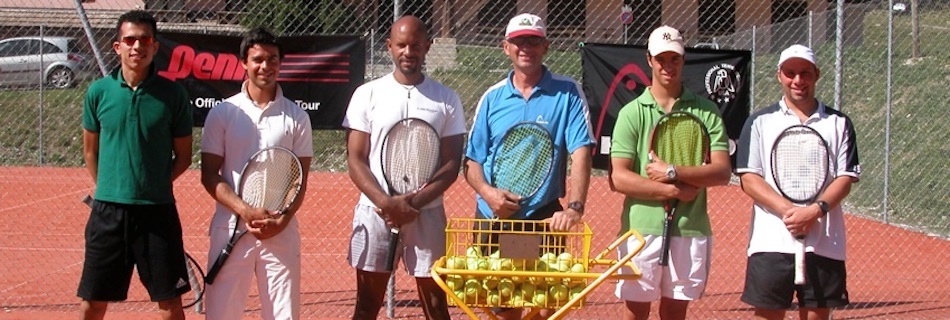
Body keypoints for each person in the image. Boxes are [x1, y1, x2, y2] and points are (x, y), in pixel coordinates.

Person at [463, 13, 593, 320]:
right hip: (494, 218)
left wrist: (574, 208)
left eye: (534, 41)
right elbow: (472, 162)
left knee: (547, 305)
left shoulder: (568, 93)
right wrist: (489, 193)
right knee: (503, 306)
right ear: (505, 47)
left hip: (541, 217)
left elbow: (581, 152)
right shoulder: (492, 98)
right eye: (519, 41)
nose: (526, 48)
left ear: (545, 47)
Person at [343, 15, 464, 320]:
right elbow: (356, 159)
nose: (408, 51)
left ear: (428, 47)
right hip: (375, 211)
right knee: (367, 306)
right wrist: (386, 203)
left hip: (428, 212)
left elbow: (451, 164)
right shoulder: (367, 94)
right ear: (389, 46)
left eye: (415, 45)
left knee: (437, 308)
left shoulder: (447, 98)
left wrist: (413, 204)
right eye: (401, 44)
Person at [607, 25, 732, 320]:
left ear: (683, 60)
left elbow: (721, 172)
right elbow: (619, 177)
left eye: (674, 59)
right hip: (640, 229)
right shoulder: (632, 113)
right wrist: (673, 191)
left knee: (675, 312)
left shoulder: (707, 111)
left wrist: (672, 172)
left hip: (690, 228)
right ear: (649, 59)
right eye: (661, 59)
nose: (668, 65)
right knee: (636, 312)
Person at [78, 10, 193, 320]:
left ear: (155, 47)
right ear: (117, 46)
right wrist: (109, 187)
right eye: (129, 39)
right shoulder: (98, 93)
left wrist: (153, 183)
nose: (137, 46)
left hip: (157, 212)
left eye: (145, 40)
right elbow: (91, 151)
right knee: (93, 302)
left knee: (170, 305)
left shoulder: (173, 94)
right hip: (108, 214)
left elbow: (184, 156)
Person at [735, 44, 861, 320]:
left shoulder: (839, 123)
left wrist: (814, 211)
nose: (798, 80)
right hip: (771, 242)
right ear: (780, 75)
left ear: (817, 74)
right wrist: (789, 213)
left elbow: (845, 177)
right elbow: (749, 178)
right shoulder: (759, 122)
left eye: (805, 73)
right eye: (790, 73)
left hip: (824, 243)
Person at [199, 27, 313, 320]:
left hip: (280, 232)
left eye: (272, 59)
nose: (266, 66)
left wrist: (282, 220)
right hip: (230, 229)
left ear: (280, 63)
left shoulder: (297, 117)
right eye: (258, 59)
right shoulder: (223, 112)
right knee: (221, 315)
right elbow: (210, 175)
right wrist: (245, 210)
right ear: (244, 63)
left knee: (283, 316)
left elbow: (299, 181)